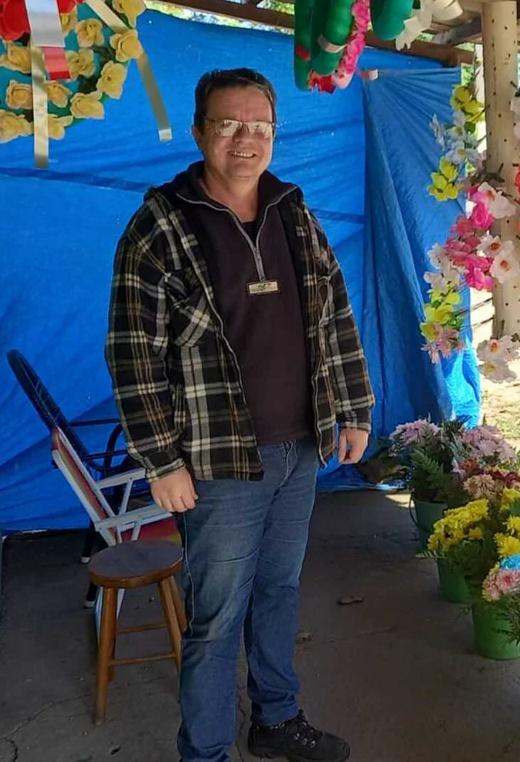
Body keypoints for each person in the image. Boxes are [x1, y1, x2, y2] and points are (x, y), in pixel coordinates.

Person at [106, 67, 373, 762]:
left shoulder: (293, 210)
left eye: (259, 126)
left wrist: (354, 410)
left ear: (275, 134)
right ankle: (206, 752)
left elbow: (335, 315)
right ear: (200, 133)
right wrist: (161, 461)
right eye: (229, 124)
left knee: (279, 591)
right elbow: (132, 354)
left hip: (300, 445)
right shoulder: (159, 224)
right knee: (217, 618)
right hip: (216, 461)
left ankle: (277, 720)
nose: (246, 140)